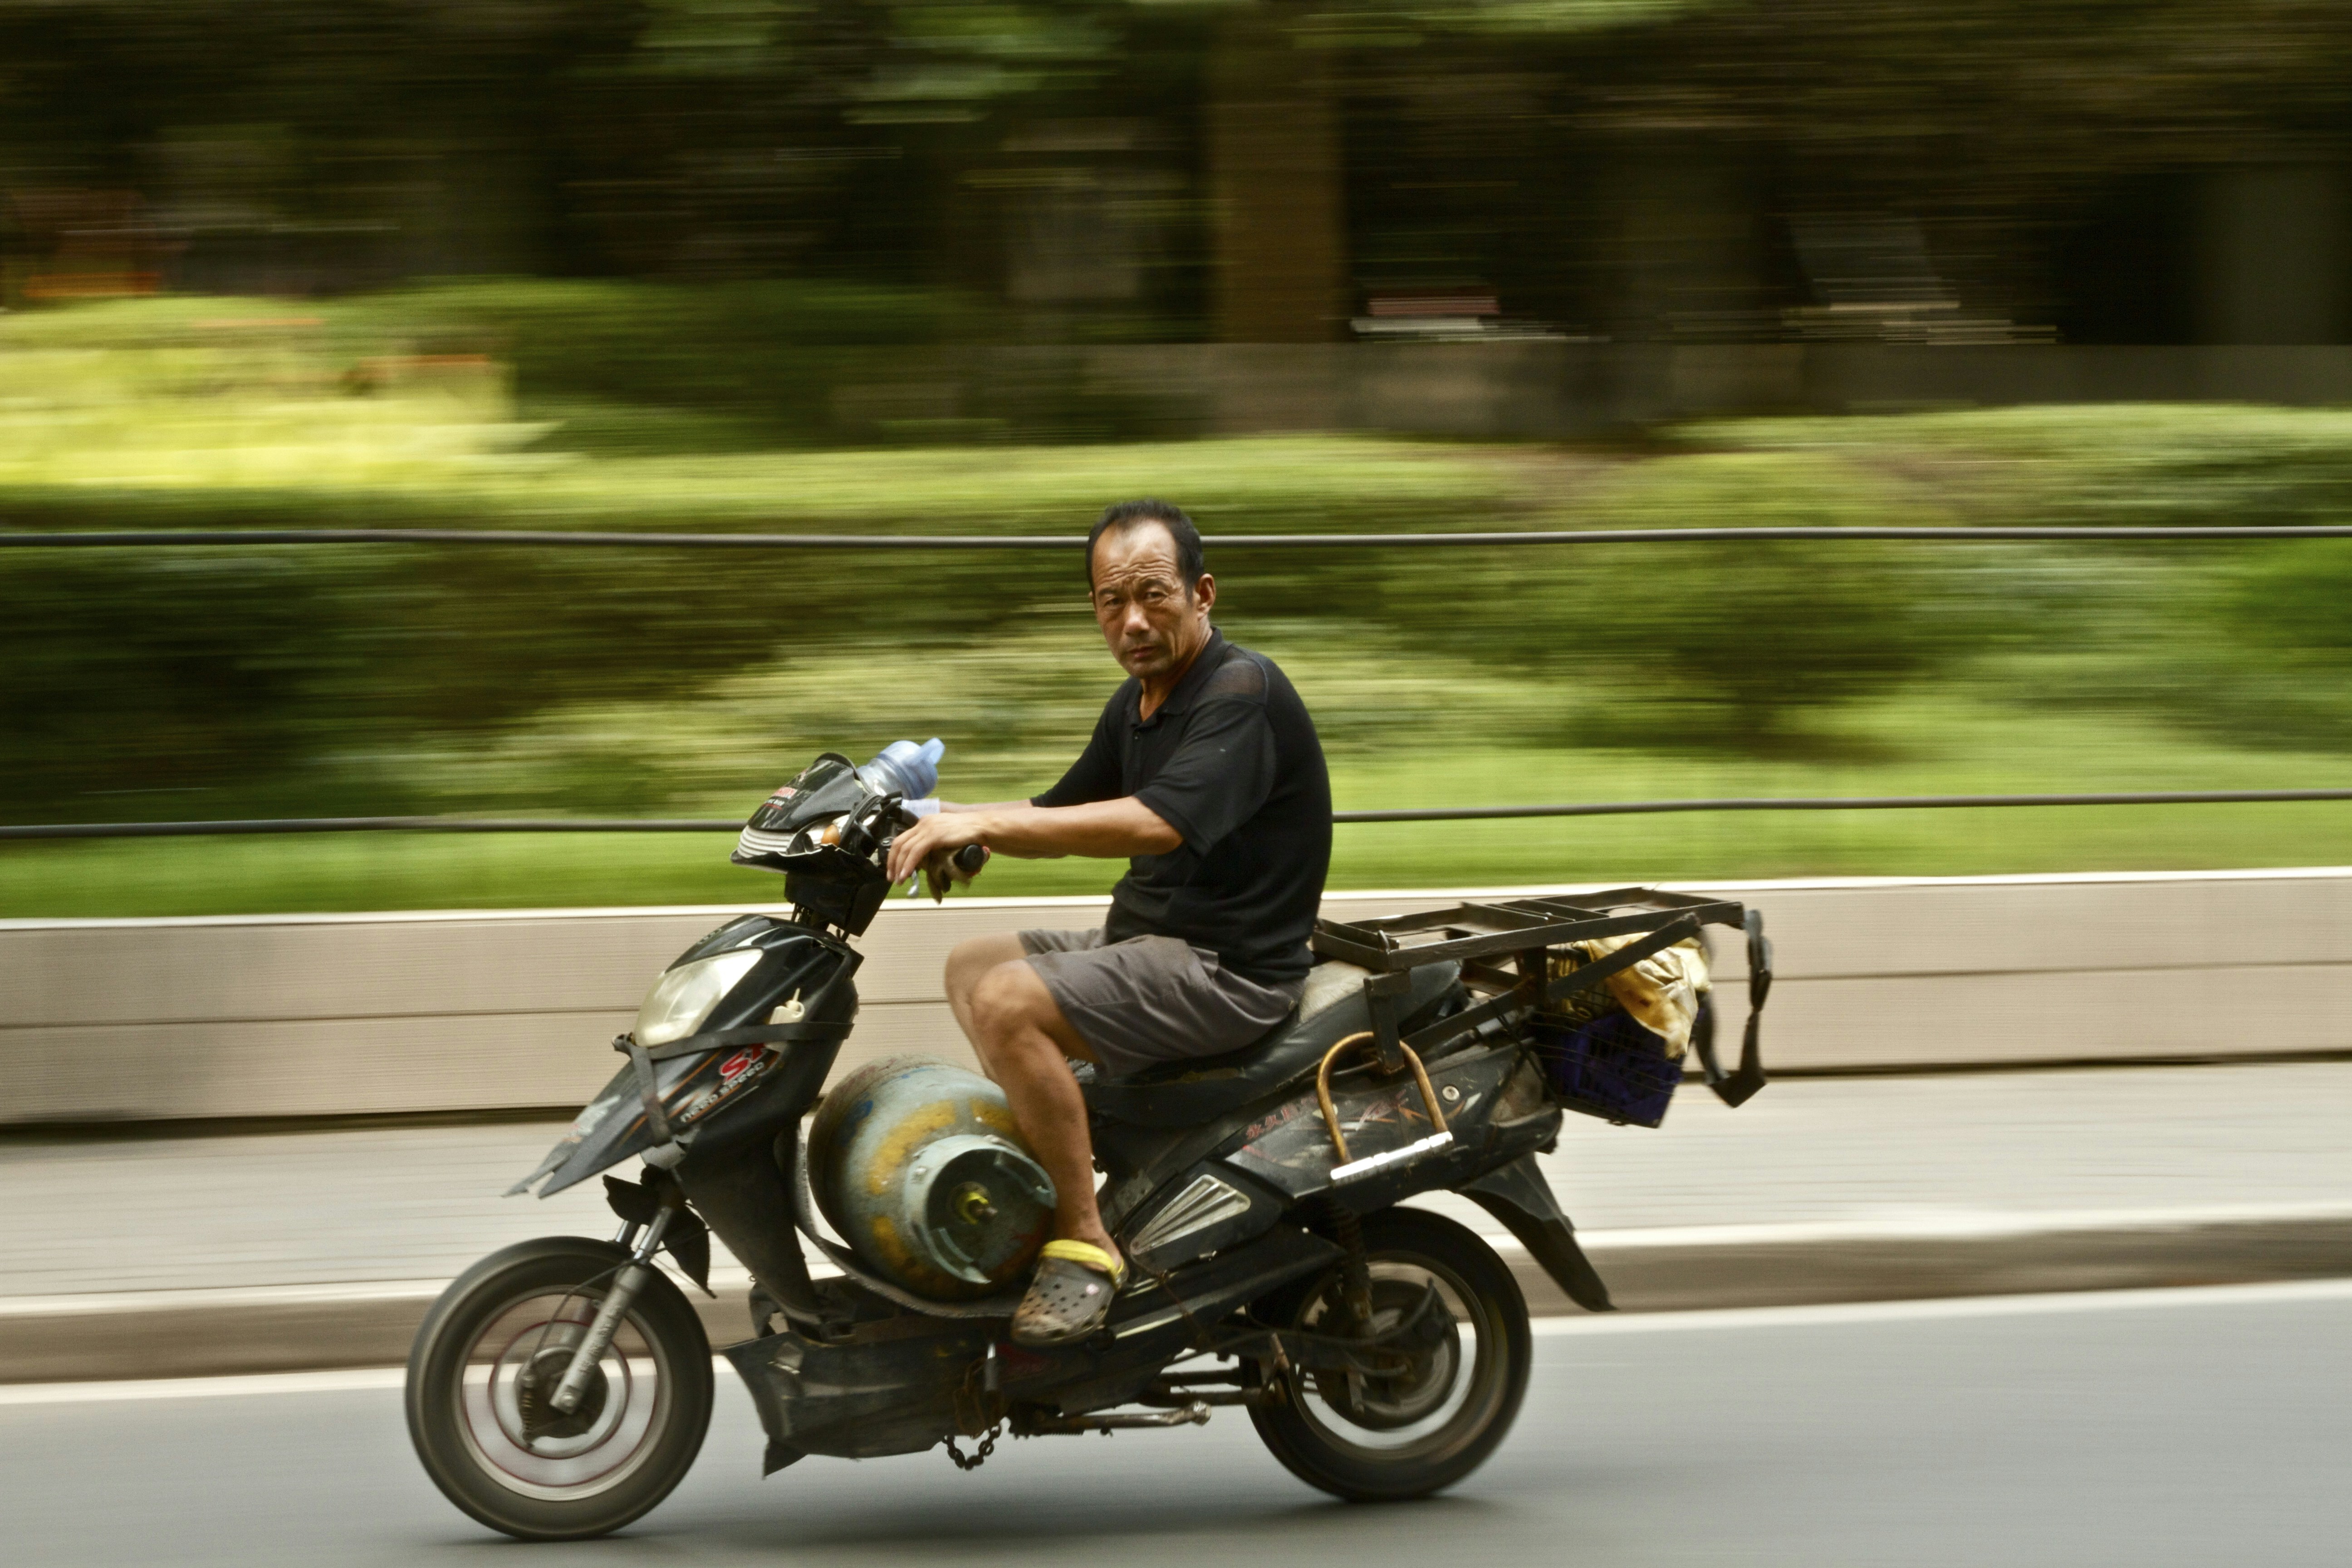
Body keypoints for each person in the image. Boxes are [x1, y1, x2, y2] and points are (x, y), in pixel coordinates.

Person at [883, 499, 1332, 1345]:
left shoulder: (1241, 693)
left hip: (1228, 969)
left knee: (1010, 1002)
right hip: (1154, 945)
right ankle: (1067, 1149)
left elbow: (1152, 823)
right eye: (1109, 601)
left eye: (1152, 595)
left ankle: (1085, 1242)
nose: (1131, 620)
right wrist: (951, 829)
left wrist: (980, 824)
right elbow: (1061, 813)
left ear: (1203, 594)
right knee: (970, 967)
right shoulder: (1137, 705)